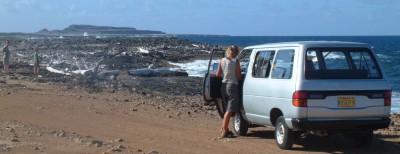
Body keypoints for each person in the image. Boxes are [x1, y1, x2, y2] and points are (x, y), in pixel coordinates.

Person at [215, 46, 242, 138]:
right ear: (236, 53)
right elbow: (238, 76)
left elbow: (218, 74)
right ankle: (224, 131)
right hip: (232, 86)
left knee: (227, 109)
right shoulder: (236, 61)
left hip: (223, 86)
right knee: (229, 110)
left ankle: (224, 128)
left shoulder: (222, 60)